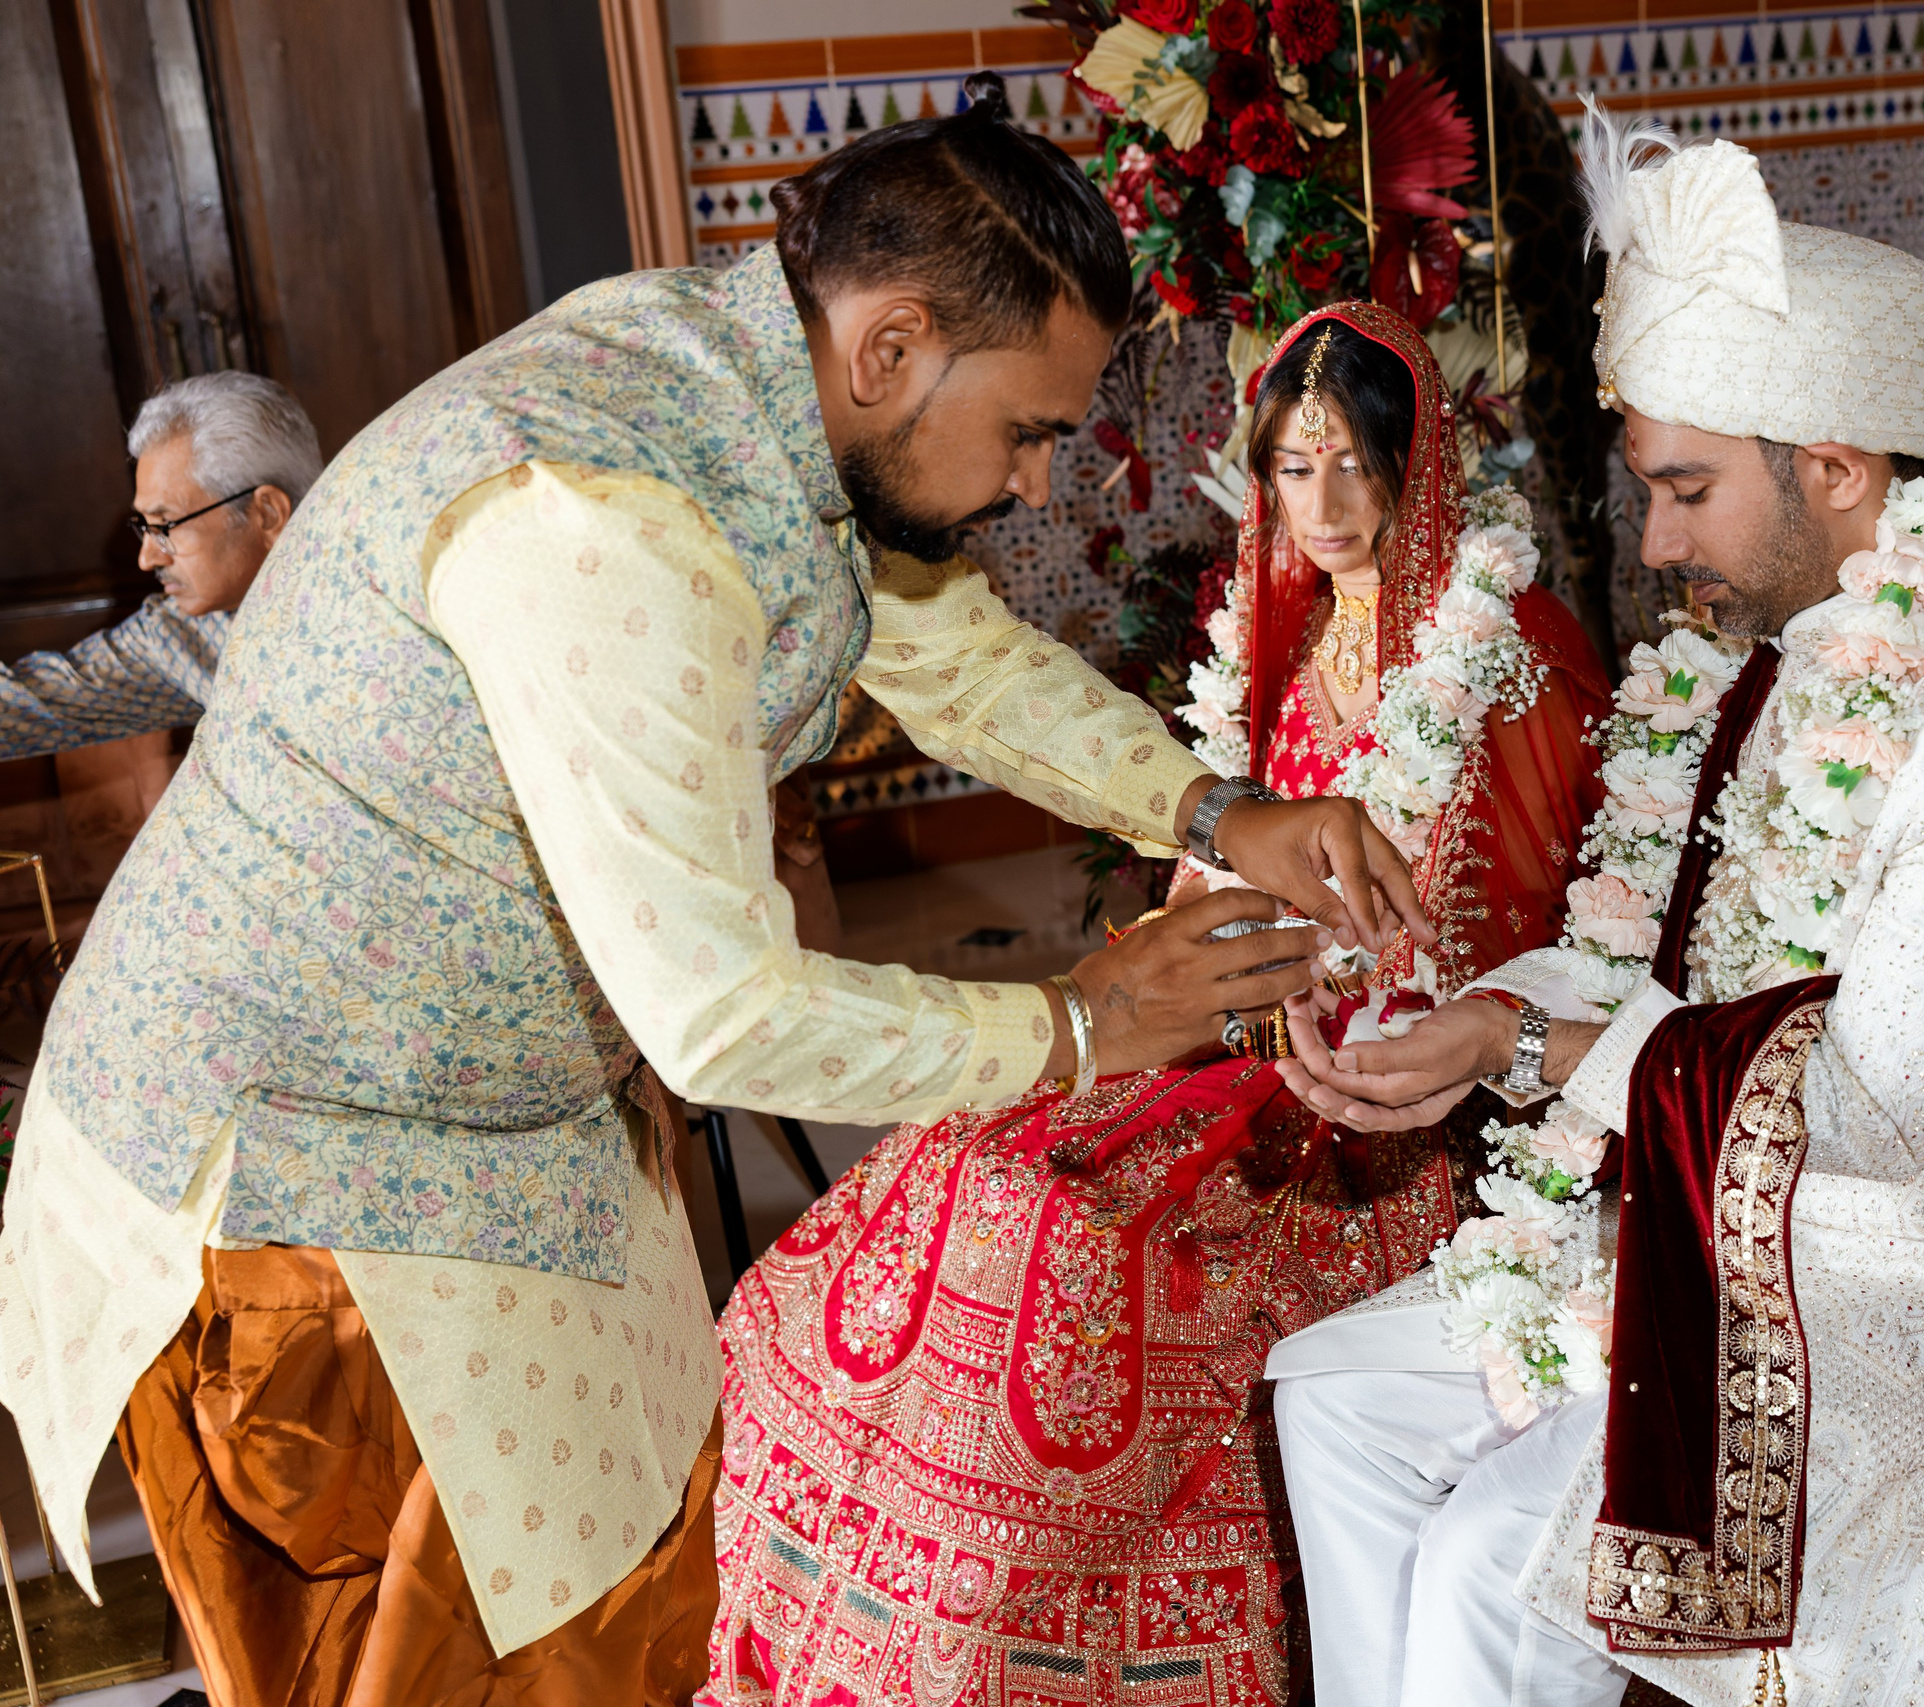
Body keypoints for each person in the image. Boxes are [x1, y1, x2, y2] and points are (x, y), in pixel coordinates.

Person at [0, 86, 1427, 1706]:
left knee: (644, 1597)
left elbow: (952, 663)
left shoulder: (763, 389)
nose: (1038, 486)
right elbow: (723, 1009)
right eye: (1031, 429)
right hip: (303, 1181)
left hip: (493, 1139)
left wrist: (1219, 808)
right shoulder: (602, 517)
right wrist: (1088, 1018)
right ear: (891, 347)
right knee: (472, 1666)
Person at [1263, 113, 1924, 1707]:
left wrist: (1534, 1034)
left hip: (1904, 1254)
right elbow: (1695, 971)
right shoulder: (1808, 639)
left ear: (1836, 468)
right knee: (1334, 1404)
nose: (1657, 542)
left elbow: (1861, 1100)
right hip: (1723, 1185)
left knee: (1500, 1555)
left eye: (1689, 488)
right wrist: (1477, 1029)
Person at [706, 304, 1616, 1707]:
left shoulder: (1511, 648)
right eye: (1296, 467)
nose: (1328, 504)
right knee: (954, 1166)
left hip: (1393, 1099)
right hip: (1232, 1037)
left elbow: (1547, 927)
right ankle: (868, 1625)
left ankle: (1020, 1627)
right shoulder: (1275, 629)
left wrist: (1333, 998)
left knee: (1059, 1234)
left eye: (1358, 463)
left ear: (1418, 460)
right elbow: (1210, 867)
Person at [0, 372, 316, 758]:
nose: (147, 558)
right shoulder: (181, 636)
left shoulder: (386, 587)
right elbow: (31, 702)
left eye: (166, 525)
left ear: (267, 513)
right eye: (144, 527)